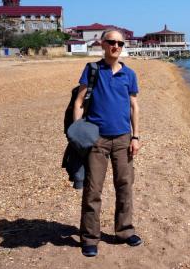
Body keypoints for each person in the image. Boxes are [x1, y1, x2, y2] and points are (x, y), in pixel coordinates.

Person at [73, 29, 142, 257]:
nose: (116, 46)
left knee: (124, 187)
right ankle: (90, 237)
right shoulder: (92, 70)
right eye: (111, 42)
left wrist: (136, 136)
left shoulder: (129, 74)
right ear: (103, 44)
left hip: (123, 138)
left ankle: (124, 231)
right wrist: (78, 133)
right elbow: (79, 102)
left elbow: (134, 106)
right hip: (97, 140)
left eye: (120, 43)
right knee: (93, 190)